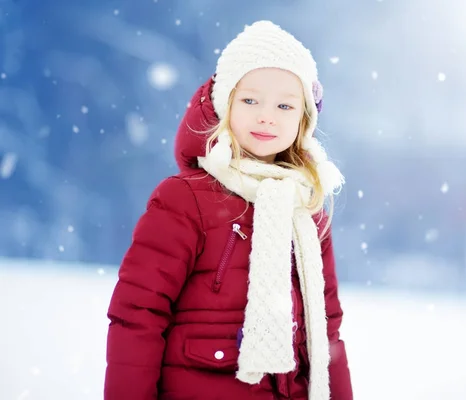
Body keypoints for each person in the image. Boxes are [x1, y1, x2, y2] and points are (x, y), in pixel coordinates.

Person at [104, 20, 353, 400]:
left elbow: (326, 331)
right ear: (225, 105)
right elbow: (138, 313)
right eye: (250, 100)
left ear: (303, 120)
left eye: (285, 105)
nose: (266, 115)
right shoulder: (184, 200)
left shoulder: (306, 208)